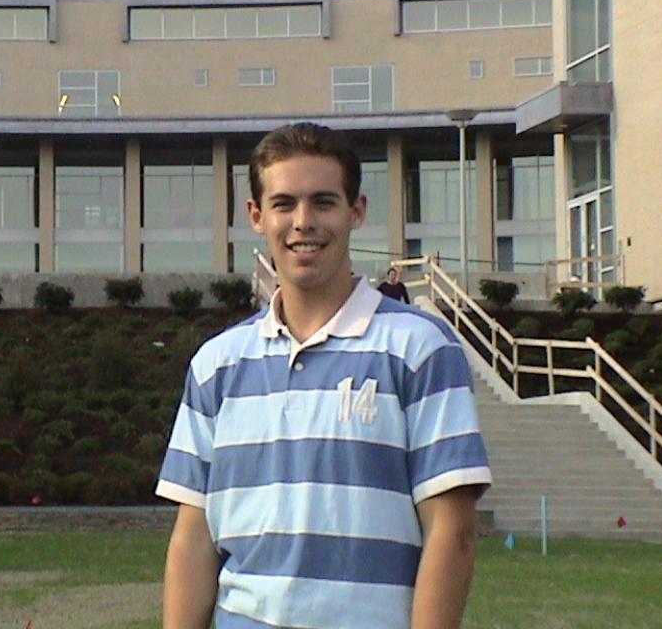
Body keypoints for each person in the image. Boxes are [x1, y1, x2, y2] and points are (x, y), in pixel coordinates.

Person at [157, 123, 491, 629]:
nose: (303, 222)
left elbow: (452, 530)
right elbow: (193, 538)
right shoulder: (217, 364)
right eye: (284, 203)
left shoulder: (421, 349)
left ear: (356, 211)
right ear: (256, 216)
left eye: (324, 202)